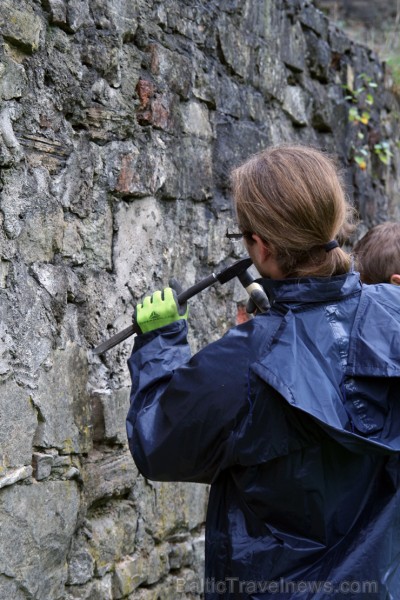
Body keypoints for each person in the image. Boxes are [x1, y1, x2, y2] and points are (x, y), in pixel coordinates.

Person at [126, 145, 400, 599]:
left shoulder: (245, 361)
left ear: (261, 246)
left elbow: (157, 442)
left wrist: (159, 345)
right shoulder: (392, 312)